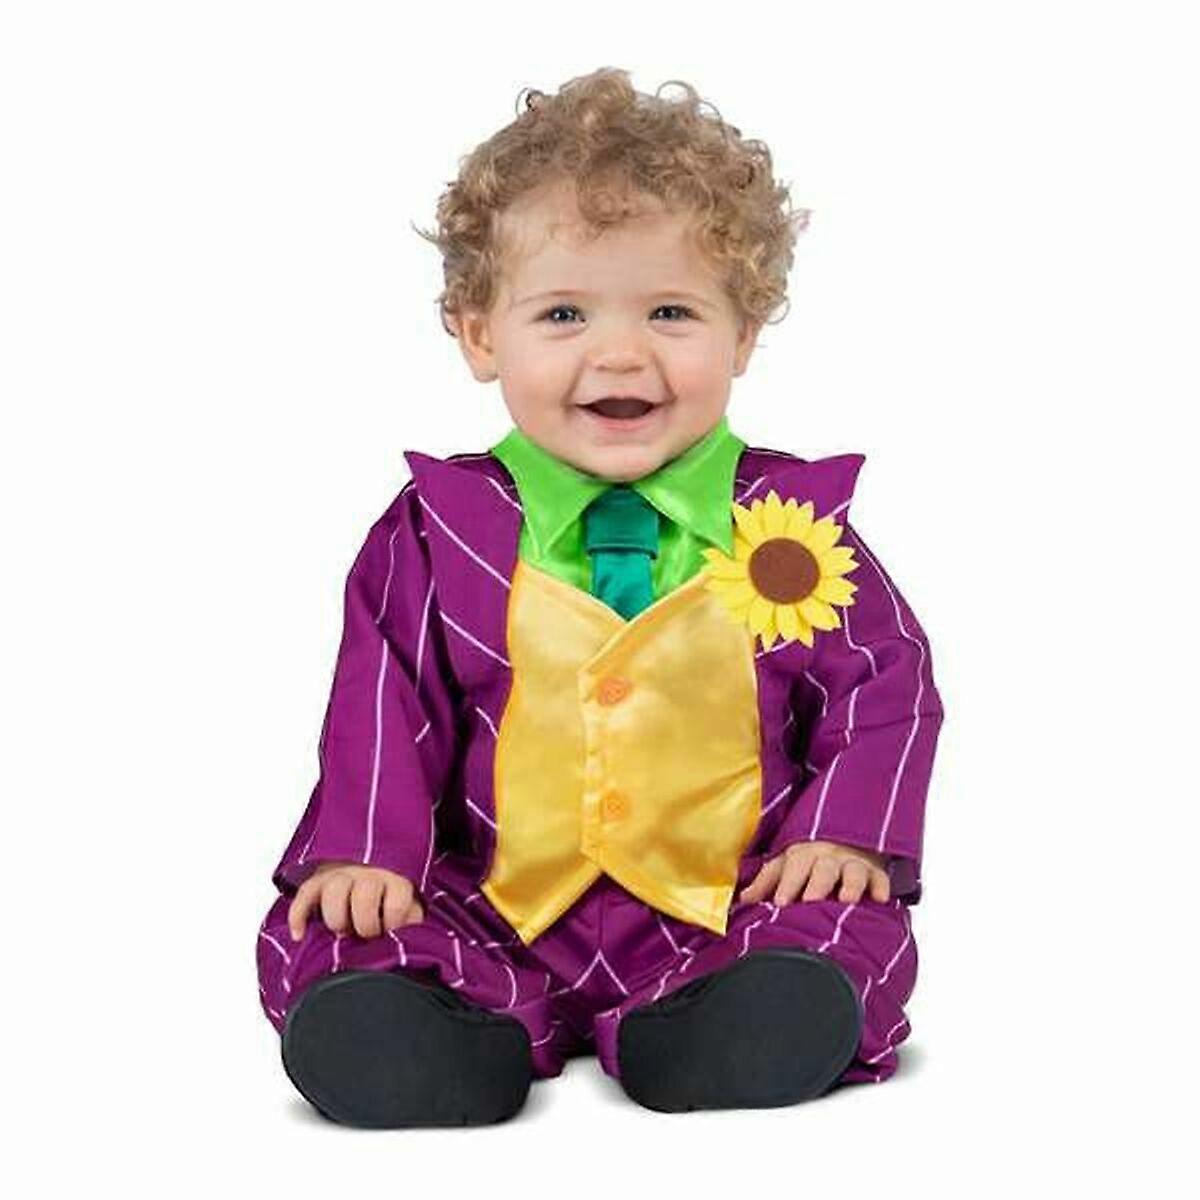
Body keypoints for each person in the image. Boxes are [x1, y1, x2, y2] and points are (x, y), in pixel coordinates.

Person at [256, 67, 945, 1128]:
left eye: (671, 311)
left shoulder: (793, 528)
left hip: (730, 901)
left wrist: (844, 836)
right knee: (338, 928)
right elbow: (383, 702)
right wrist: (368, 854)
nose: (619, 353)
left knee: (841, 926)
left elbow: (883, 687)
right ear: (480, 334)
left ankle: (731, 1022)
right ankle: (434, 1028)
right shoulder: (438, 529)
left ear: (743, 334)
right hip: (494, 900)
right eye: (564, 313)